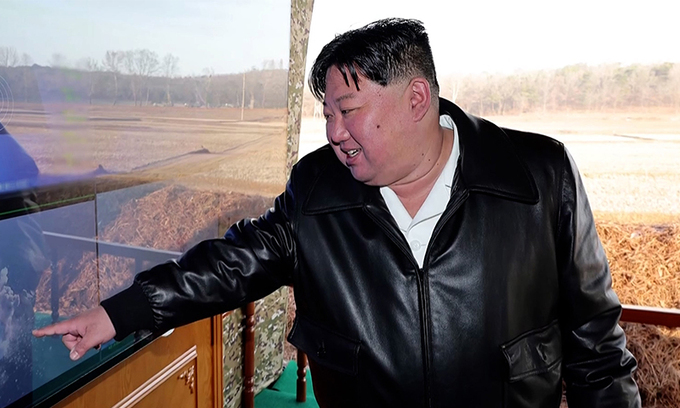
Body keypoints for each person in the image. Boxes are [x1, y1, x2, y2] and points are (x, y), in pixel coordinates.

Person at [34, 18, 640, 407]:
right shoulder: (317, 187)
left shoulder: (538, 177)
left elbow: (597, 345)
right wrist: (121, 313)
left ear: (416, 99)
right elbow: (232, 264)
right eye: (326, 114)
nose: (333, 132)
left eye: (347, 110)